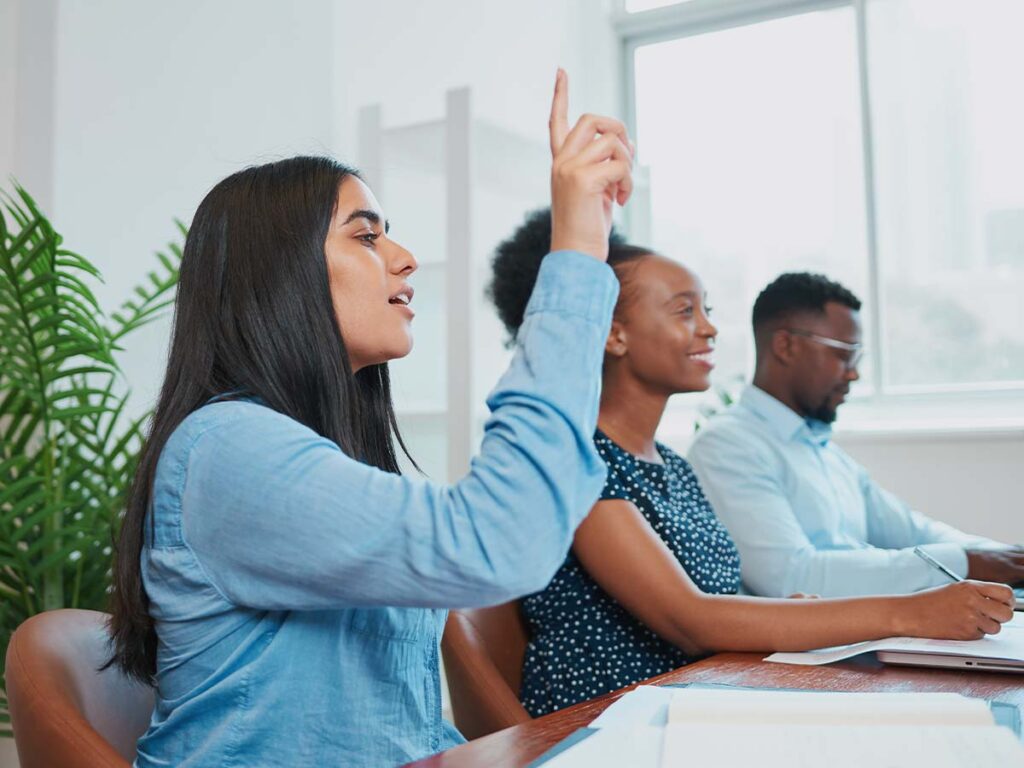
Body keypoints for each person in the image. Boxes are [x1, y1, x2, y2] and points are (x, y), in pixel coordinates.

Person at [106, 72, 635, 767]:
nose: (404, 258)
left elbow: (398, 731)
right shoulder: (227, 449)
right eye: (365, 236)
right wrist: (574, 256)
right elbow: (501, 543)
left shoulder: (310, 455)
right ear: (281, 277)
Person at [487, 211, 1014, 718]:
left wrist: (804, 614)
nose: (711, 330)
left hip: (703, 697)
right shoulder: (581, 461)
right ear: (613, 334)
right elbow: (690, 618)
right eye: (684, 311)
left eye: (708, 309)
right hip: (613, 717)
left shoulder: (672, 465)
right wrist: (908, 610)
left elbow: (724, 599)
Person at [688, 272, 1024, 598]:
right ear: (785, 346)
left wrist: (1004, 557)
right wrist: (968, 563)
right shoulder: (727, 446)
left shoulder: (823, 452)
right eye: (843, 354)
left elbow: (912, 531)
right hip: (796, 651)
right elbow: (791, 578)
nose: (854, 373)